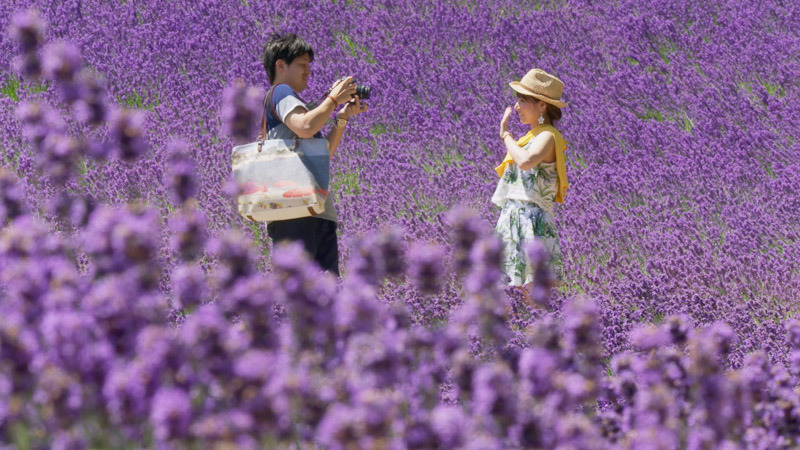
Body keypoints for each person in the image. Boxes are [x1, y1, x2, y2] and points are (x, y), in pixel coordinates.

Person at [261, 33, 368, 276]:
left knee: (323, 293)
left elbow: (324, 155)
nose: (308, 71)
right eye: (302, 64)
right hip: (294, 212)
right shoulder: (280, 92)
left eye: (309, 64)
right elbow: (306, 126)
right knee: (298, 291)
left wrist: (341, 118)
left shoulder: (297, 104)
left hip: (317, 212)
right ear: (281, 66)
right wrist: (332, 99)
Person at [492, 68, 569, 301]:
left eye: (523, 101)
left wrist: (505, 135)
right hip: (513, 219)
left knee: (531, 296)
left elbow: (526, 162)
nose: (517, 107)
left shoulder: (548, 136)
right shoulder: (530, 137)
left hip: (531, 223)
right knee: (507, 296)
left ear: (542, 105)